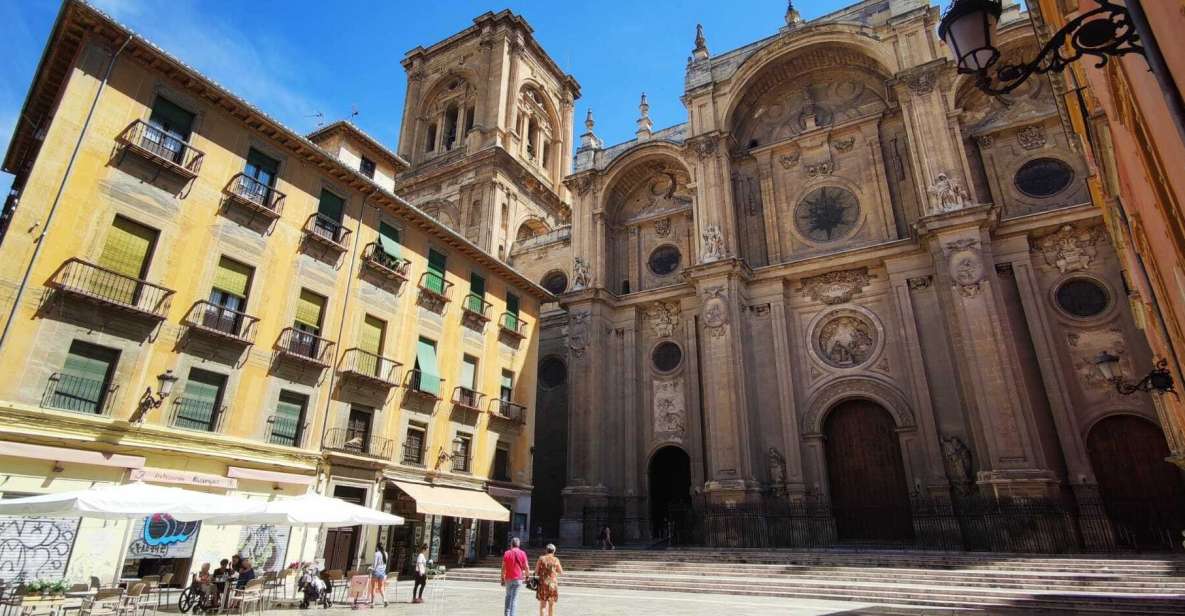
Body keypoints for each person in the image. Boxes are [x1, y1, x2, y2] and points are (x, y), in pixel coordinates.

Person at [501, 537, 528, 616]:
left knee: (508, 596)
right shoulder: (522, 553)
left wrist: (502, 578)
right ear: (519, 545)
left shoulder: (507, 553)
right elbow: (526, 566)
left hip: (508, 578)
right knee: (514, 599)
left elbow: (503, 567)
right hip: (518, 578)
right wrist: (527, 576)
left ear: (511, 544)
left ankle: (506, 614)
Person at [534, 544, 564, 616]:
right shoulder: (556, 559)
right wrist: (554, 573)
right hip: (552, 584)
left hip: (543, 583)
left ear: (546, 550)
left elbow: (536, 572)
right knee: (551, 605)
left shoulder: (541, 558)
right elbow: (561, 572)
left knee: (543, 605)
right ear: (554, 551)